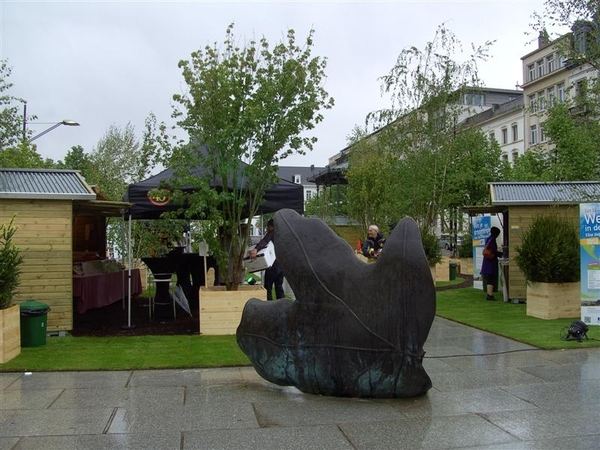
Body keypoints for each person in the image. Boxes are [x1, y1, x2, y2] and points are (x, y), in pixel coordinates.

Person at [248, 219, 284, 300]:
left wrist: (256, 249)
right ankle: (282, 304)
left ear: (272, 226)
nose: (267, 228)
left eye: (268, 226)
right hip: (281, 265)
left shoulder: (272, 233)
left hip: (272, 264)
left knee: (268, 286)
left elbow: (264, 241)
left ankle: (269, 304)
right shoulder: (282, 234)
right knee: (279, 286)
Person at [481, 226, 503, 301]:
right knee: (492, 278)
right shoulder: (493, 240)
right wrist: (501, 254)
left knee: (489, 278)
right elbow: (493, 251)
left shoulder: (488, 238)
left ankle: (489, 294)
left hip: (487, 261)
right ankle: (490, 295)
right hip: (491, 262)